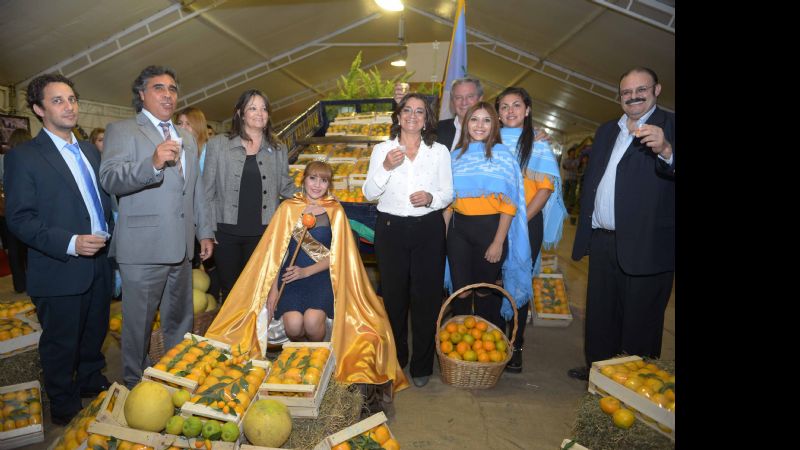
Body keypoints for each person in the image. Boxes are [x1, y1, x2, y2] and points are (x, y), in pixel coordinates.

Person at [205, 161, 409, 402]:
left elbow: (338, 255)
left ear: (328, 184)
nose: (317, 185)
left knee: (313, 321)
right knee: (292, 324)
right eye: (313, 179)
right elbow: (274, 254)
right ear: (304, 180)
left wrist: (306, 271)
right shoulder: (288, 209)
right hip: (288, 279)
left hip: (321, 277)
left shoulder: (335, 211)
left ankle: (319, 361)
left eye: (323, 180)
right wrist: (273, 290)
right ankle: (300, 360)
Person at [4, 74, 113, 425]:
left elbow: (98, 201)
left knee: (95, 330)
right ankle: (63, 402)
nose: (69, 106)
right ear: (38, 109)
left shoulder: (86, 150)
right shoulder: (24, 157)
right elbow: (20, 219)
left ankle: (91, 380)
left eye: (71, 99)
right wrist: (71, 243)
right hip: (60, 266)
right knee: (61, 342)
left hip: (99, 262)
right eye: (57, 100)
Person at [99, 65, 214, 388]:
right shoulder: (123, 130)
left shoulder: (187, 137)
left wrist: (204, 230)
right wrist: (151, 163)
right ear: (142, 94)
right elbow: (109, 178)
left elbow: (196, 190)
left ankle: (175, 376)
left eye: (173, 89)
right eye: (159, 88)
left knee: (180, 320)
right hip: (142, 248)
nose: (167, 94)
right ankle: (135, 383)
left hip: (181, 246)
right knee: (138, 323)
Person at [568, 67, 675, 381]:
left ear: (657, 89)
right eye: (626, 92)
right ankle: (598, 372)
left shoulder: (670, 126)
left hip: (648, 244)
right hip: (603, 239)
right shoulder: (606, 131)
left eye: (641, 89)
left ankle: (634, 382)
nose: (633, 96)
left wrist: (668, 150)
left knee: (641, 317)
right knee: (601, 312)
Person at [363, 93, 453, 388]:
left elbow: (448, 193)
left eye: (420, 112)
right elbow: (369, 194)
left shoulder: (439, 152)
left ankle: (422, 365)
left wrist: (431, 198)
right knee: (394, 298)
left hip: (428, 228)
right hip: (391, 229)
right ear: (398, 116)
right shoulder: (383, 150)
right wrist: (386, 167)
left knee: (426, 298)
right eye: (407, 110)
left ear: (427, 119)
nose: (413, 116)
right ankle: (397, 359)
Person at [443, 102, 531, 335]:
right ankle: (459, 343)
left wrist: (498, 242)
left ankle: (483, 342)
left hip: (491, 230)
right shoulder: (454, 156)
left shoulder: (503, 156)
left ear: (494, 125)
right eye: (474, 119)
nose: (479, 125)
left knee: (484, 289)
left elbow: (509, 204)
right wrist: (443, 236)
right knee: (460, 289)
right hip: (458, 230)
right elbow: (447, 203)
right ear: (465, 123)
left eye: (486, 120)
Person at [496, 87, 567, 372]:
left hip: (526, 222)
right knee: (493, 281)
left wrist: (517, 220)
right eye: (503, 106)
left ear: (527, 110)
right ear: (497, 113)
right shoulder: (489, 140)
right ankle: (493, 337)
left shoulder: (538, 144)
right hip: (493, 221)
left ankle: (515, 344)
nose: (510, 111)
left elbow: (545, 188)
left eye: (516, 105)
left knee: (517, 280)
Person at [203, 89, 298, 302]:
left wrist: (314, 196)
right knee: (230, 290)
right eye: (253, 108)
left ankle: (253, 334)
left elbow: (285, 185)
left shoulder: (278, 148)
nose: (260, 113)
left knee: (258, 291)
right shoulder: (218, 145)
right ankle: (231, 334)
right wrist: (205, 232)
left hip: (262, 233)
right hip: (225, 233)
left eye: (264, 108)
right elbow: (206, 192)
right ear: (240, 113)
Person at [0, 128, 31, 293]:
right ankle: (33, 281)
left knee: (14, 250)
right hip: (31, 211)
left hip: (10, 211)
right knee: (31, 248)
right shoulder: (33, 158)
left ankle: (20, 285)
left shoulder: (5, 159)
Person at [435, 77, 483, 151]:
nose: (464, 102)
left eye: (470, 97)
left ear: (480, 99)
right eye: (458, 97)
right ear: (452, 102)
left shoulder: (491, 132)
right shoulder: (436, 130)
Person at [175, 107, 209, 174]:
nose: (182, 127)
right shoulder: (177, 147)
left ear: (198, 126)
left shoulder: (208, 151)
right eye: (180, 123)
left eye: (188, 124)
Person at [561, 146, 579, 212]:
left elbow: (574, 166)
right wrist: (570, 167)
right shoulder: (565, 160)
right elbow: (564, 167)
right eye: (571, 152)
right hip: (567, 178)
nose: (573, 153)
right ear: (569, 153)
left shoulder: (576, 160)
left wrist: (569, 167)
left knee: (572, 193)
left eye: (574, 152)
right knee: (565, 192)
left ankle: (571, 207)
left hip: (574, 178)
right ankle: (564, 205)